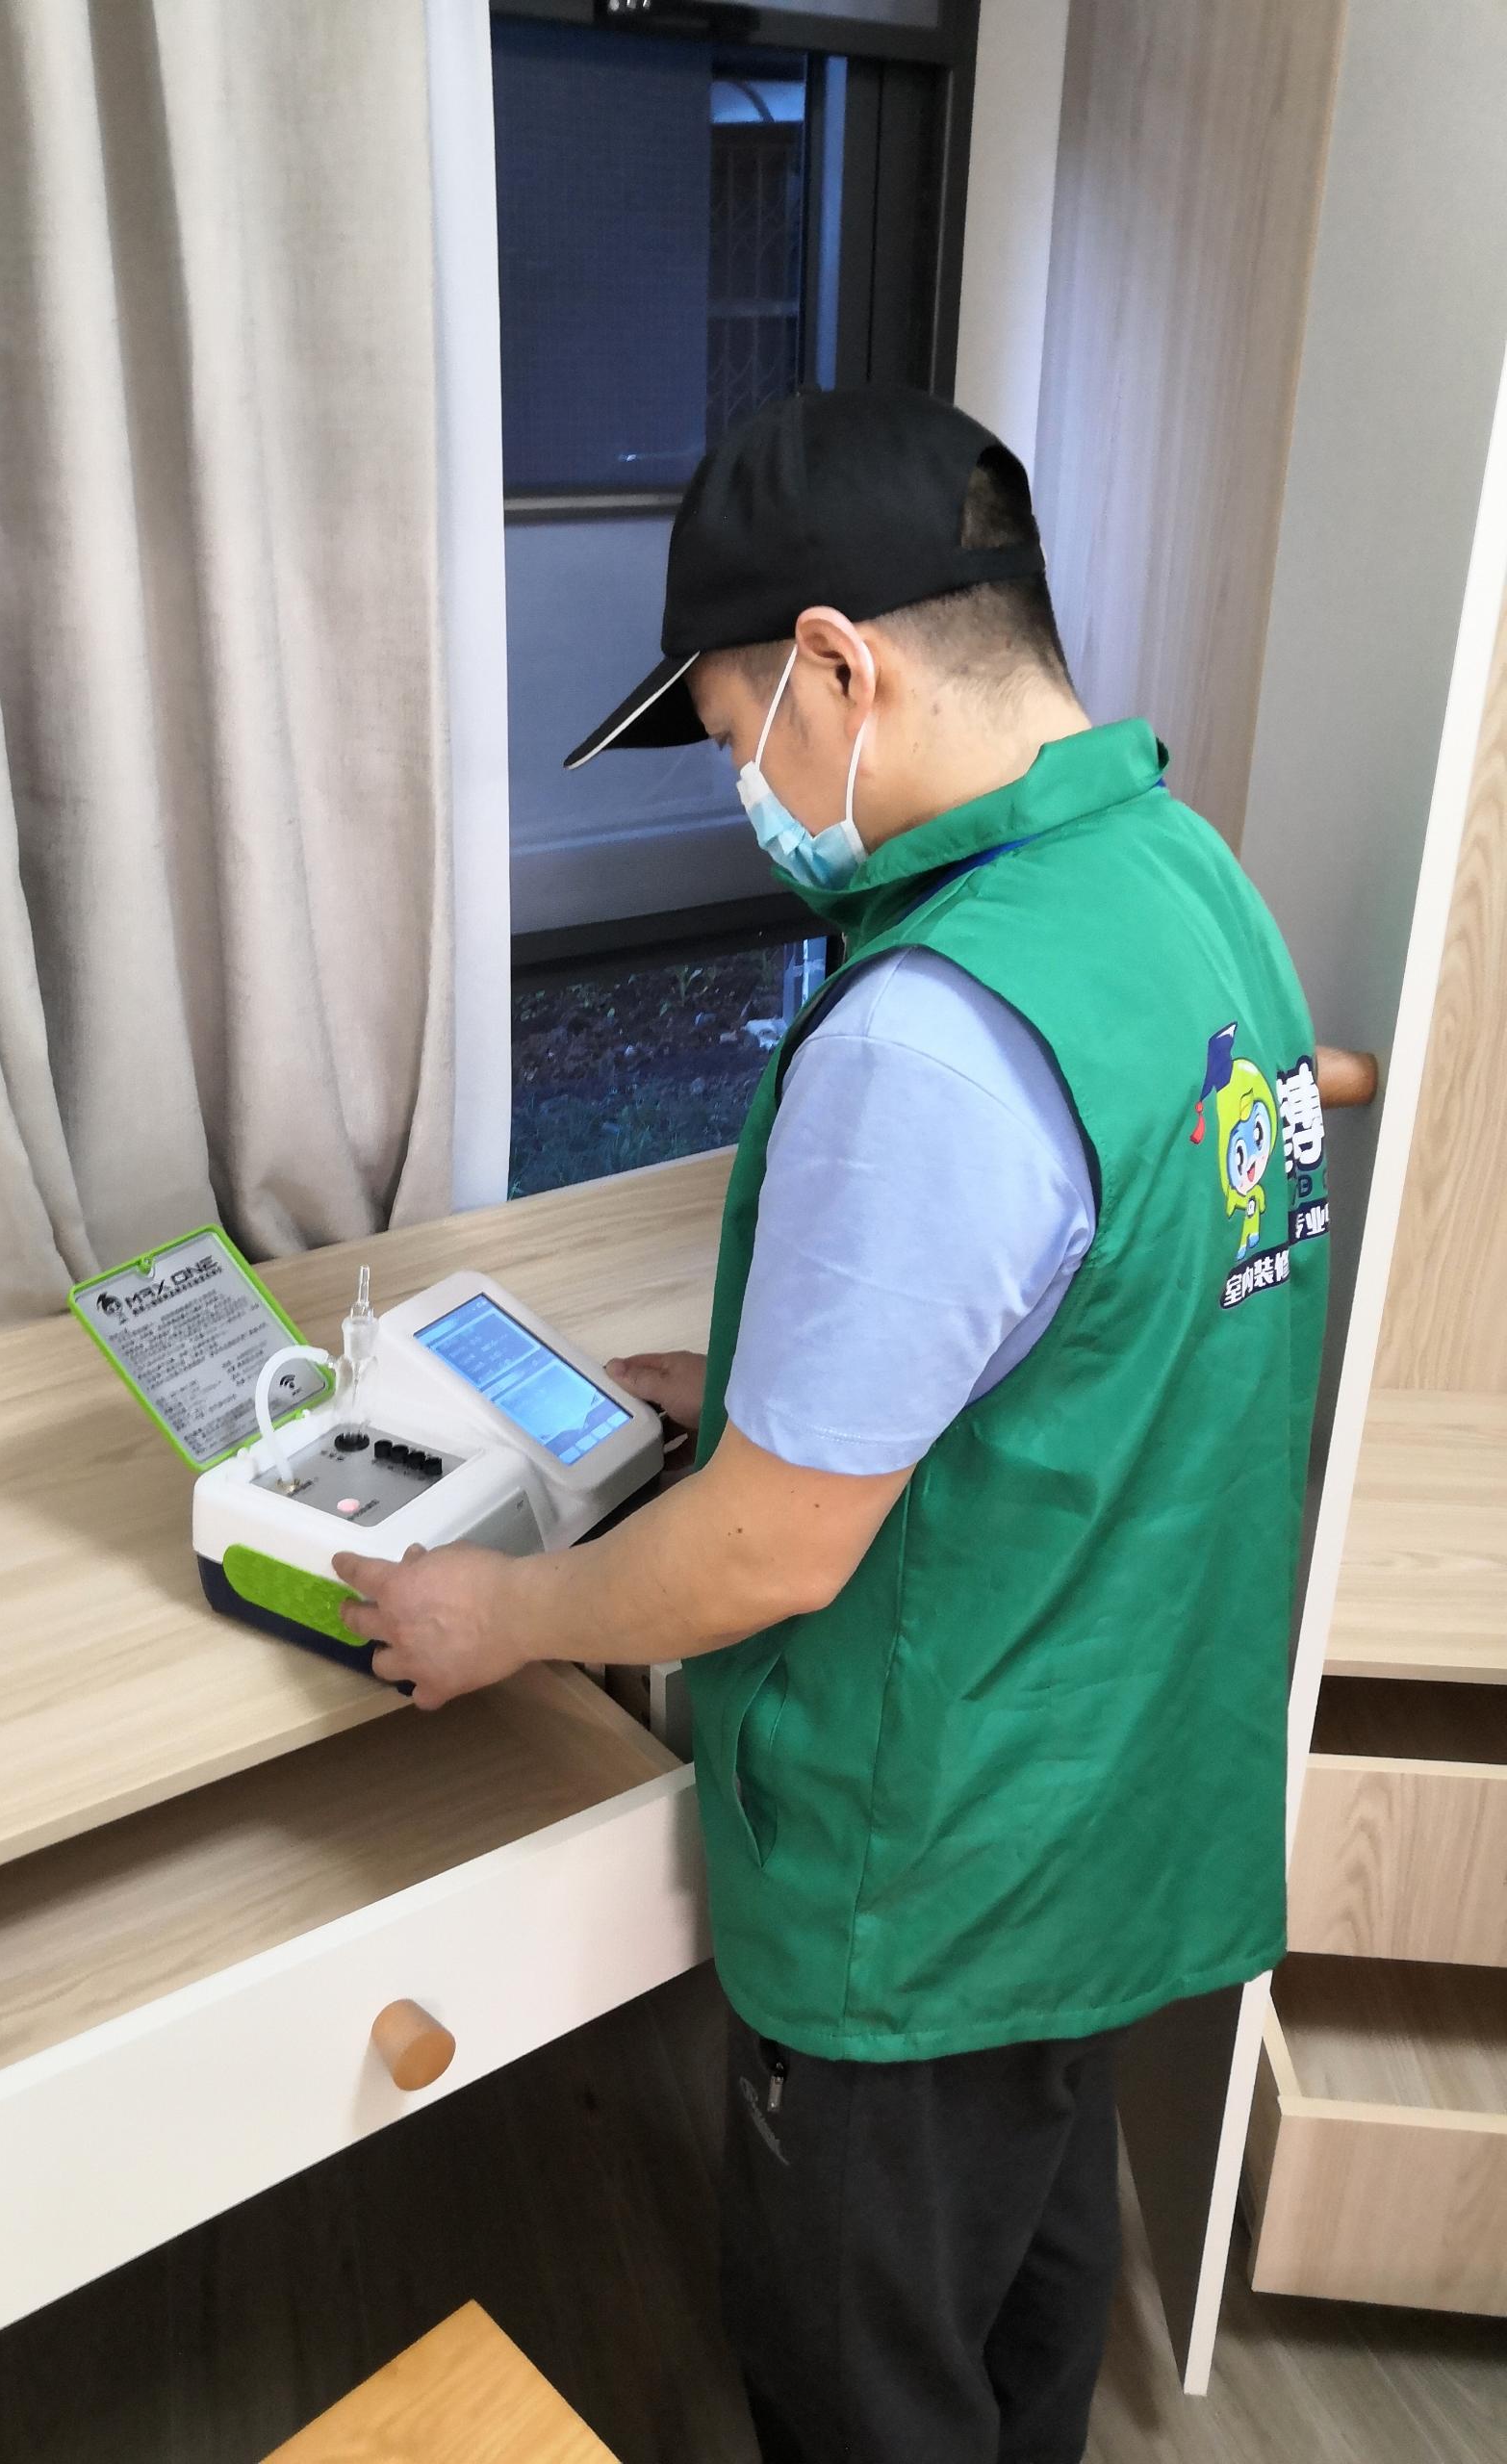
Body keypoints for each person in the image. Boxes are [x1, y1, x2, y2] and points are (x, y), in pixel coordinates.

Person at [334, 386, 1329, 2464]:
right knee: (1030, 2288)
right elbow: (1110, 1291)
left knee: (865, 2375)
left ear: (836, 665)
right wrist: (776, 1388)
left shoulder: (934, 1032)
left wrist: (498, 1615)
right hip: (1114, 1805)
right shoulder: (1185, 882)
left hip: (932, 1879)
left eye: (730, 733)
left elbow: (773, 1550)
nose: (743, 793)